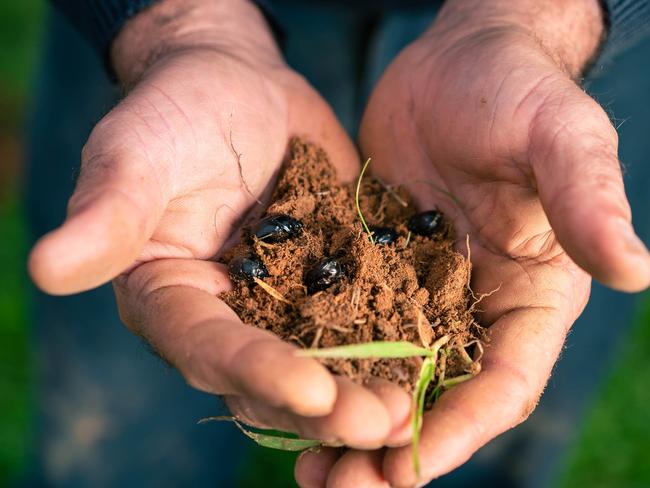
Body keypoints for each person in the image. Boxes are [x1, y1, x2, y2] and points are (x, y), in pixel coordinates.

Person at [27, 0, 650, 486]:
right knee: (116, 430)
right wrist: (180, 25)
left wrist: (539, 18)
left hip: (542, 53)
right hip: (172, 46)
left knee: (495, 415)